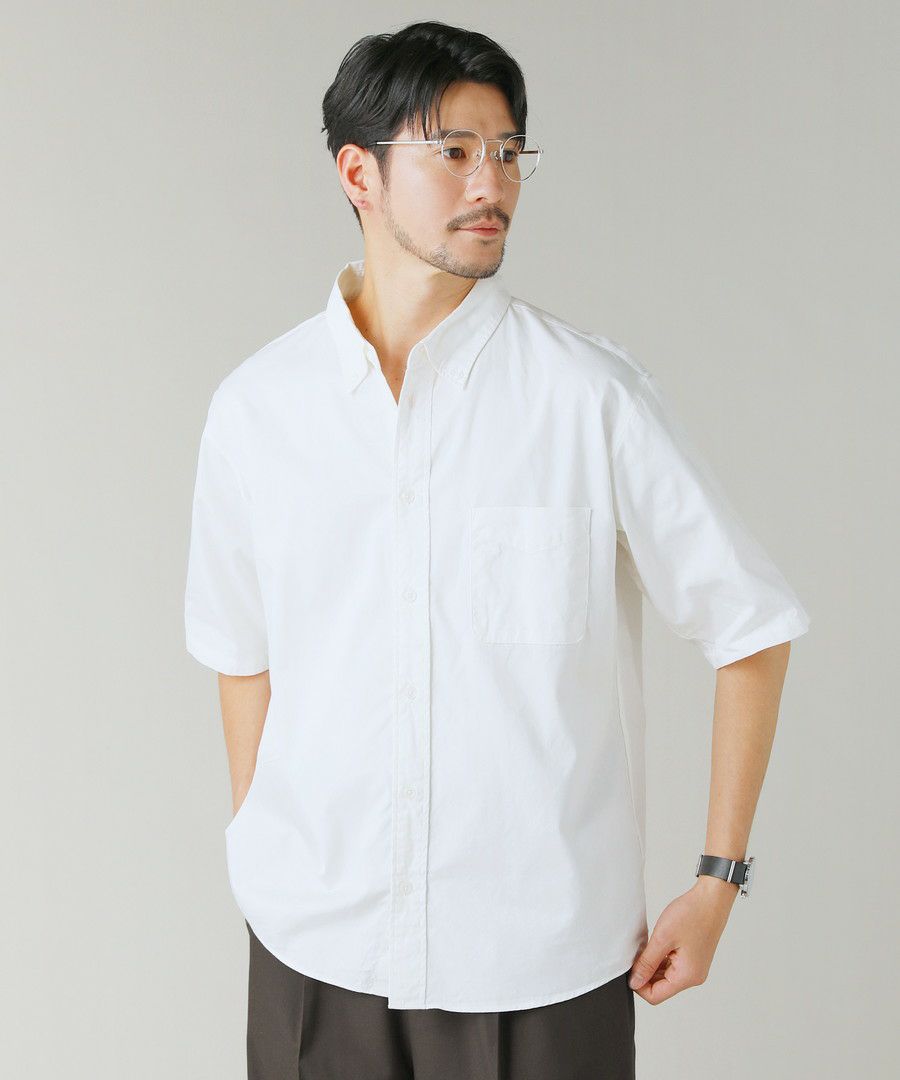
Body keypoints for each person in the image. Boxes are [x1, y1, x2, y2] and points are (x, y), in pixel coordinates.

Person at [184, 19, 810, 1080]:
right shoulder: (257, 410)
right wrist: (268, 851)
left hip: (539, 962)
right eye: (455, 150)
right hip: (313, 951)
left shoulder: (589, 398)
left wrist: (719, 880)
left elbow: (752, 627)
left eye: (510, 151)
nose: (493, 182)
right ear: (359, 174)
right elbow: (241, 656)